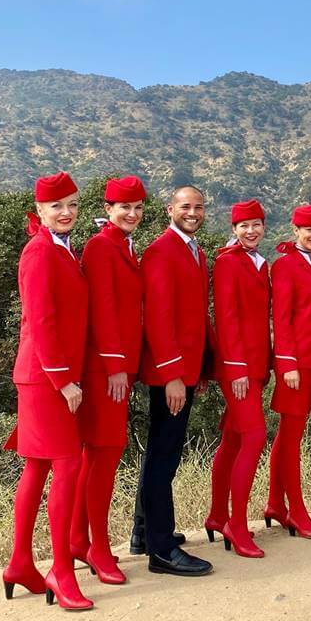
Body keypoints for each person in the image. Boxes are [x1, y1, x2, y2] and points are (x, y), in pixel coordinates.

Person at [3, 172, 92, 610]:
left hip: (44, 376)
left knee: (37, 467)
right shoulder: (39, 251)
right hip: (45, 378)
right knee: (67, 463)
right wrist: (64, 380)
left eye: (73, 204)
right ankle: (60, 569)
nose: (66, 212)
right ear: (39, 210)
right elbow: (40, 322)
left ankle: (20, 562)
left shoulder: (62, 248)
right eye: (57, 206)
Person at [133, 185, 213, 576]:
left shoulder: (194, 252)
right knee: (165, 457)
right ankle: (162, 551)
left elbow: (195, 318)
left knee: (161, 451)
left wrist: (199, 371)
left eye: (198, 207)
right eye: (186, 207)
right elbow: (159, 320)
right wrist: (173, 377)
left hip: (186, 370)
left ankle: (144, 532)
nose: (193, 213)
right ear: (170, 209)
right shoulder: (161, 252)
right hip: (170, 374)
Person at [70, 175, 146, 586]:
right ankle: (98, 547)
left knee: (96, 457)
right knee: (105, 454)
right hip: (104, 370)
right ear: (108, 208)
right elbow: (102, 309)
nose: (131, 214)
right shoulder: (101, 247)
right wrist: (116, 365)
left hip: (119, 367)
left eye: (137, 208)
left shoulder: (123, 245)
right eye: (124, 208)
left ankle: (78, 539)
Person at [205, 200, 270, 558]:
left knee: (231, 440)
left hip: (256, 367)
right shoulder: (228, 263)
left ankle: (217, 515)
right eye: (243, 226)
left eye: (256, 225)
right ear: (233, 229)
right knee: (254, 436)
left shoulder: (259, 262)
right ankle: (238, 525)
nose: (250, 231)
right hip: (239, 369)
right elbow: (226, 319)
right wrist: (238, 369)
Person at [265, 204, 311, 539]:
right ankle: (296, 510)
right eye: (308, 230)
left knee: (289, 435)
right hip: (294, 364)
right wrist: (287, 363)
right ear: (295, 229)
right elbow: (282, 317)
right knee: (292, 440)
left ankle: (275, 503)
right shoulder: (285, 265)